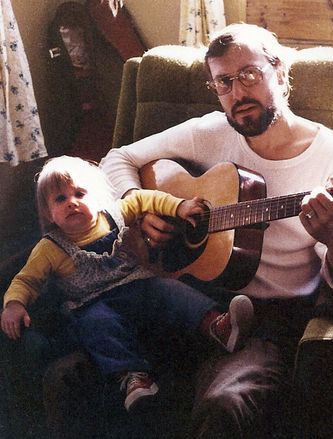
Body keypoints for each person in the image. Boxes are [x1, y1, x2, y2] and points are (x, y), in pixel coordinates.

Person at [100, 23, 333, 438]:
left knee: (224, 405)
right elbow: (118, 159)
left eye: (249, 74)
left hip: (269, 321)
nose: (237, 93)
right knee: (82, 370)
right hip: (187, 295)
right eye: (224, 82)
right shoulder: (210, 132)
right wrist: (141, 206)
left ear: (280, 72)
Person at [0, 155, 255, 413]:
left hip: (137, 285)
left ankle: (218, 326)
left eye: (79, 193)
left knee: (169, 291)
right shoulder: (49, 248)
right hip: (92, 303)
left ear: (97, 196)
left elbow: (146, 198)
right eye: (60, 199)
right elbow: (27, 279)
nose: (72, 203)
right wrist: (14, 303)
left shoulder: (114, 214)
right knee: (97, 326)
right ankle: (132, 377)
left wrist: (180, 207)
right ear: (48, 213)